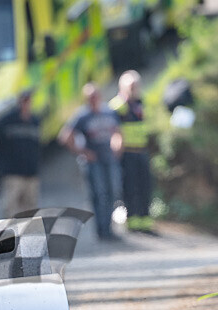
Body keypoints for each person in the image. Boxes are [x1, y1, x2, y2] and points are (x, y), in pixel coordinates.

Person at [60, 83, 123, 240]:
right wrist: (83, 152)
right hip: (93, 162)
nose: (93, 99)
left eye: (95, 96)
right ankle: (102, 230)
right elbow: (65, 137)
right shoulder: (82, 116)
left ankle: (109, 227)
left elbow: (118, 132)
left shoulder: (108, 112)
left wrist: (117, 146)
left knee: (112, 192)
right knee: (99, 194)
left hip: (109, 159)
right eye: (90, 97)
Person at [109, 70, 154, 233]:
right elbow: (113, 129)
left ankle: (145, 221)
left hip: (141, 150)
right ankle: (133, 221)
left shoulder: (140, 103)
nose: (135, 88)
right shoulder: (118, 105)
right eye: (132, 86)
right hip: (127, 153)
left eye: (137, 85)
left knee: (145, 186)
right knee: (130, 187)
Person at [0, 90, 41, 217]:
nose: (26, 104)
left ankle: (28, 235)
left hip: (31, 172)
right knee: (10, 207)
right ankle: (11, 234)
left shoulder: (34, 121)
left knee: (30, 208)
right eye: (23, 100)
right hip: (12, 172)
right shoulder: (6, 121)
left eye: (28, 101)